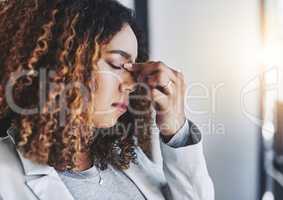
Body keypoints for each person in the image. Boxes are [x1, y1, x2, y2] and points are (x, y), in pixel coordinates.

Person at [0, 0, 214, 199]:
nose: (131, 84)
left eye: (133, 69)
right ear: (62, 66)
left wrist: (175, 127)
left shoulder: (125, 157)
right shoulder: (5, 176)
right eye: (117, 64)